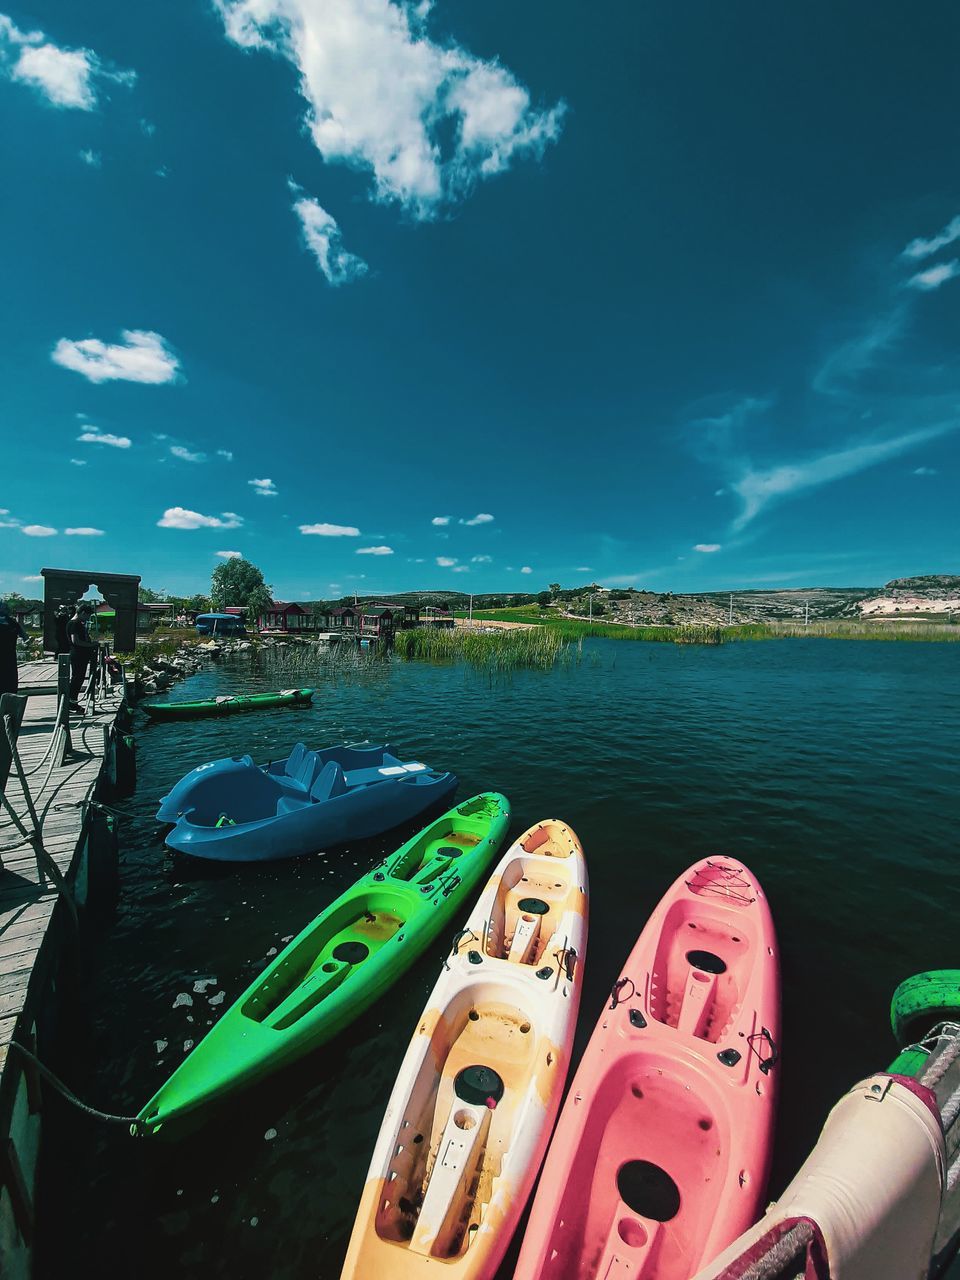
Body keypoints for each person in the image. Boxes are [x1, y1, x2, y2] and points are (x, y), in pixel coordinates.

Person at [67, 602, 99, 711]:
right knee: (77, 678)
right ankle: (71, 701)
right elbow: (75, 640)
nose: (87, 618)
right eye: (87, 616)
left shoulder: (79, 623)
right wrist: (91, 645)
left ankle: (73, 701)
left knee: (79, 678)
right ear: (83, 613)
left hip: (82, 655)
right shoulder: (74, 624)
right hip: (77, 654)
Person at [0, 599, 28, 695]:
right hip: (5, 657)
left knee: (10, 684)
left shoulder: (12, 622)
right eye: (4, 607)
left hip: (10, 657)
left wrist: (26, 643)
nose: (6, 609)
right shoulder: (12, 623)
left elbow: (24, 637)